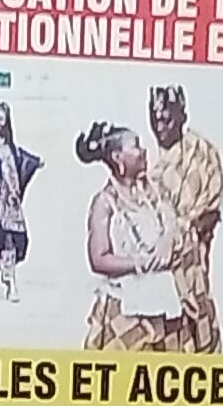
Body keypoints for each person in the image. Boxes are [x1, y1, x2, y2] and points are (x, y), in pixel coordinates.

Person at [74, 121, 187, 351]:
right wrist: (139, 263)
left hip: (162, 305)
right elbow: (98, 259)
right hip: (124, 310)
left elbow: (173, 223)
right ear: (118, 157)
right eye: (136, 146)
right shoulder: (104, 202)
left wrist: (166, 241)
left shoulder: (153, 192)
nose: (143, 151)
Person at [147, 85, 223, 350]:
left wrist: (185, 235)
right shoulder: (146, 161)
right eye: (154, 119)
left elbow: (213, 208)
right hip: (157, 265)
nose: (159, 127)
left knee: (197, 326)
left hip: (192, 258)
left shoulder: (203, 153)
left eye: (166, 119)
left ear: (182, 117)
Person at [0, 102, 40, 301]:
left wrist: (34, 162)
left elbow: (20, 159)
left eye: (2, 118)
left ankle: (10, 282)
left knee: (10, 239)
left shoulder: (8, 146)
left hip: (8, 201)